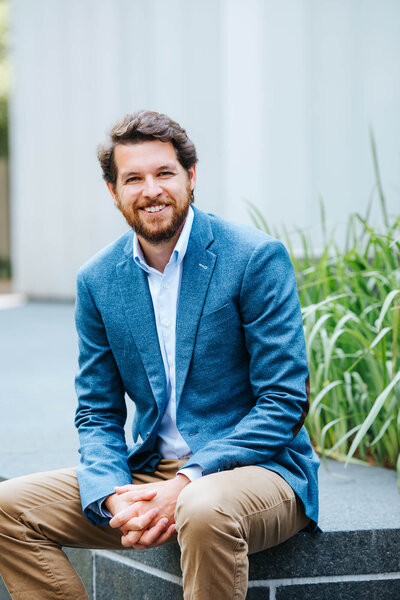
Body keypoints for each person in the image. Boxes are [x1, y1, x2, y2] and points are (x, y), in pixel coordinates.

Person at [0, 110, 319, 599]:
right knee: (8, 508)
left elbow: (284, 401)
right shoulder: (98, 279)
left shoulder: (253, 258)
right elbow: (97, 410)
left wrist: (189, 480)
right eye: (134, 178)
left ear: (190, 177)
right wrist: (111, 495)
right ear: (114, 191)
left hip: (259, 470)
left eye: (164, 173)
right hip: (150, 471)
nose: (151, 189)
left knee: (202, 506)